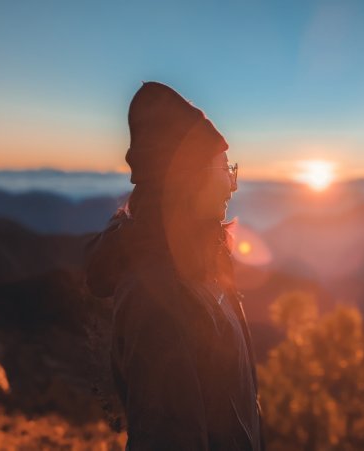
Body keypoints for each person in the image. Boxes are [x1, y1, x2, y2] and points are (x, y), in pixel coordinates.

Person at [84, 81, 264, 450]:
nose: (232, 185)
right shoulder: (156, 299)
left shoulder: (206, 267)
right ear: (190, 179)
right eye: (223, 168)